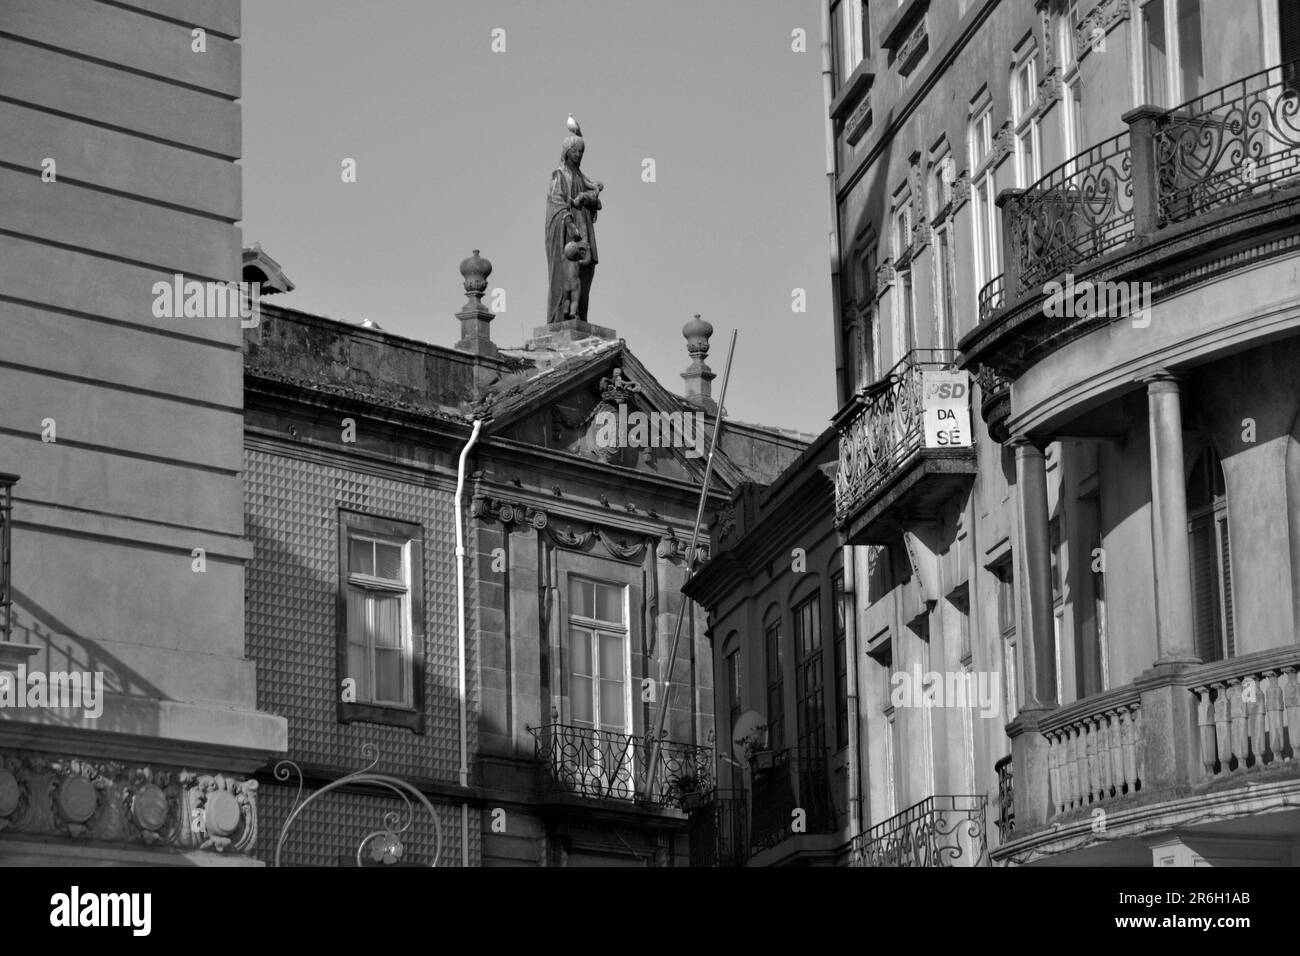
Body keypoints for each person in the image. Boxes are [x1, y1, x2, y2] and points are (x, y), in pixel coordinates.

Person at [545, 133, 603, 324]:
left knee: (585, 274)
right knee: (570, 274)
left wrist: (588, 198)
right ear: (567, 152)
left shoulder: (582, 177)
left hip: (584, 229)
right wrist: (569, 222)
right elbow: (556, 200)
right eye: (575, 151)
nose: (579, 154)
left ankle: (580, 316)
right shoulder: (559, 175)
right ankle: (565, 315)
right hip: (569, 234)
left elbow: (597, 201)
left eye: (581, 151)